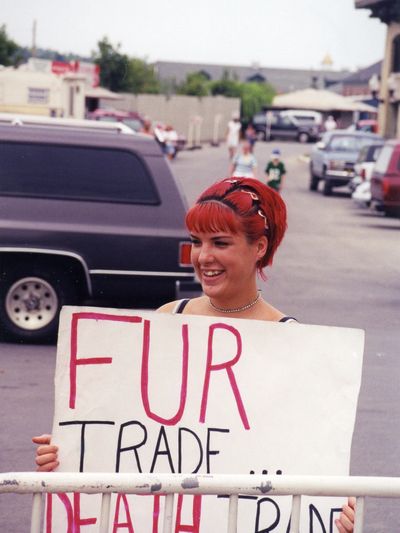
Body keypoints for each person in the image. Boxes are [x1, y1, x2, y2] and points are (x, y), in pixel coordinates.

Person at [33, 177, 354, 532]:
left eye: (220, 242)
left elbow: (307, 460)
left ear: (259, 247)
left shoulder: (293, 344)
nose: (203, 257)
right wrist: (71, 452)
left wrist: (334, 510)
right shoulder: (170, 318)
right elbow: (127, 432)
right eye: (197, 242)